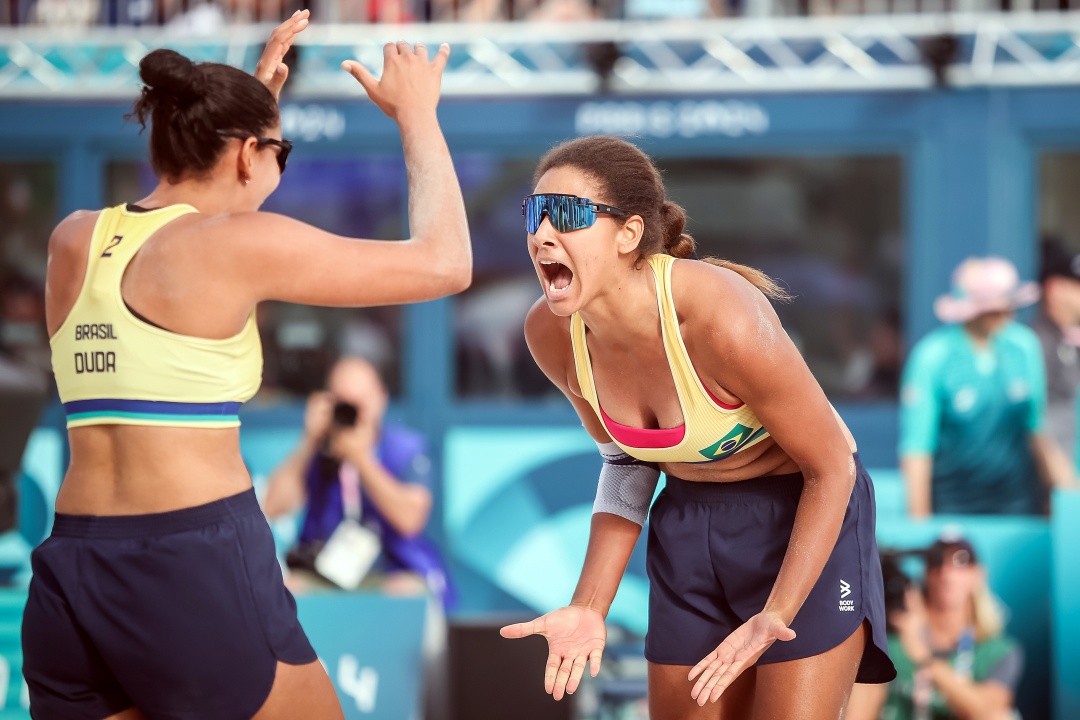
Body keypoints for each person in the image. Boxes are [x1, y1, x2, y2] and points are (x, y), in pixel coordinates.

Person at [22, 10, 471, 719]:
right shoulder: (232, 247)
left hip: (72, 564)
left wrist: (246, 117)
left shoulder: (73, 239)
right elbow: (446, 264)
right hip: (186, 560)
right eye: (278, 155)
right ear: (242, 156)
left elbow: (189, 217)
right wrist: (418, 114)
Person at [500, 135, 895, 719]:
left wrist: (778, 613)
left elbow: (832, 464)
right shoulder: (551, 333)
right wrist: (589, 605)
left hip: (804, 517)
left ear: (629, 234)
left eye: (568, 215)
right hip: (691, 525)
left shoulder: (717, 314)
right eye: (535, 213)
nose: (541, 234)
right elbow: (627, 464)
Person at [263, 356, 454, 607]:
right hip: (327, 572)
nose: (353, 413)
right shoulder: (318, 450)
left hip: (391, 571)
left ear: (381, 398)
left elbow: (410, 520)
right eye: (344, 402)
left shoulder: (406, 449)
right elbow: (274, 507)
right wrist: (308, 442)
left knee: (407, 593)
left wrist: (362, 460)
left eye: (360, 401)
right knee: (288, 589)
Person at [900, 257, 1075, 517]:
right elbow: (917, 449)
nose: (1006, 315)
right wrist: (920, 526)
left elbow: (1037, 430)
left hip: (1018, 507)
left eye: (1009, 306)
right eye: (994, 309)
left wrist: (1071, 496)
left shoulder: (1025, 346)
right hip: (952, 508)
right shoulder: (932, 356)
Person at [847, 535, 1024, 720]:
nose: (946, 573)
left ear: (977, 574)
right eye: (936, 562)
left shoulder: (997, 651)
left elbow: (988, 712)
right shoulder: (889, 644)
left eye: (960, 561)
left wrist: (924, 658)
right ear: (926, 574)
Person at [1032, 238, 1080, 467]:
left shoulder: (1069, 340)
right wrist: (1062, 479)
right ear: (1053, 289)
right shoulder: (1035, 342)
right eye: (1076, 286)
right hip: (1049, 484)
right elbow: (1033, 422)